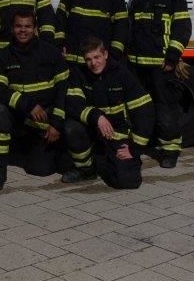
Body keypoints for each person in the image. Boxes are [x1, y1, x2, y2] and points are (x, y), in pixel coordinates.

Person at [0, 9, 79, 191]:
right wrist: (26, 104)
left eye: (27, 26)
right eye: (18, 26)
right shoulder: (3, 56)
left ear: (35, 29)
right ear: (12, 28)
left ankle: (32, 150)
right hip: (18, 117)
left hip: (44, 120)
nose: (23, 30)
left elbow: (64, 90)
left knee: (41, 170)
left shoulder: (50, 52)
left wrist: (57, 124)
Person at [126, 0, 192, 168]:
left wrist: (172, 57)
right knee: (139, 109)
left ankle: (170, 151)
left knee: (166, 109)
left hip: (162, 65)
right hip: (137, 65)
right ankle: (140, 145)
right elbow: (130, 26)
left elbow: (182, 27)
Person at [65, 37, 155, 188]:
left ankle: (110, 161)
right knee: (71, 128)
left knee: (127, 181)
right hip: (92, 131)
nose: (93, 63)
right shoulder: (78, 74)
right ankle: (86, 169)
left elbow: (145, 110)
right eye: (88, 59)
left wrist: (135, 148)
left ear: (105, 54)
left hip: (117, 134)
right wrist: (97, 116)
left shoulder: (122, 74)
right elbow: (73, 105)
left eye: (97, 57)